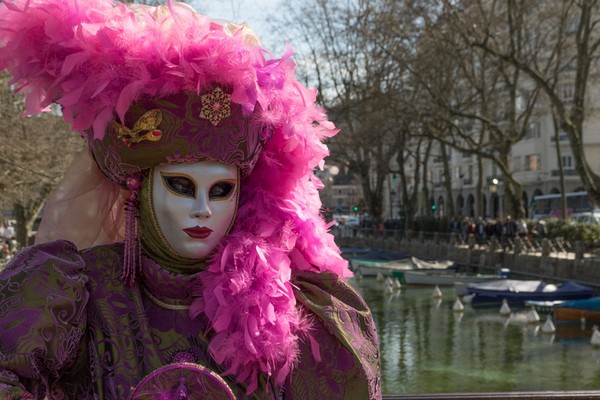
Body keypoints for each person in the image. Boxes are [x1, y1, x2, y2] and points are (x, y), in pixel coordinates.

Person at [0, 1, 381, 399]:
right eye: (181, 186)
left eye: (221, 191)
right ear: (140, 189)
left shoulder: (285, 310)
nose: (203, 208)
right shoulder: (74, 295)